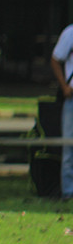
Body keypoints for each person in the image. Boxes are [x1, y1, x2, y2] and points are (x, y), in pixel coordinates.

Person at [49, 22, 73, 200]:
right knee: (69, 145)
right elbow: (56, 59)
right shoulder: (70, 33)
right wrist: (65, 86)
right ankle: (68, 191)